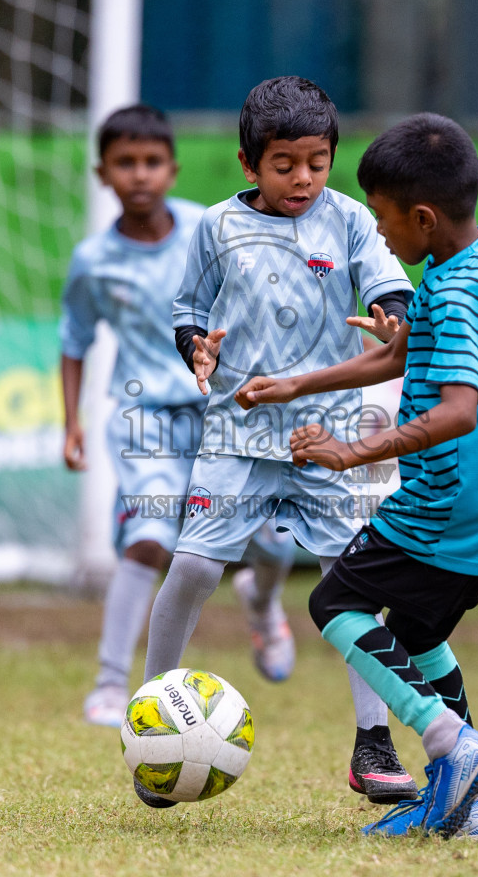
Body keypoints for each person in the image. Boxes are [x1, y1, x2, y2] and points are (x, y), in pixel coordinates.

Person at [237, 113, 478, 839]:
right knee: (420, 627)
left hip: (449, 495)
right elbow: (406, 357)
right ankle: (463, 808)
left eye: (382, 217)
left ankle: (450, 746)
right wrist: (294, 386)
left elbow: (459, 411)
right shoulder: (476, 264)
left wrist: (348, 452)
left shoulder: (455, 292)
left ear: (423, 217)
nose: (378, 233)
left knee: (336, 602)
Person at [136, 76, 417, 809]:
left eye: (316, 163)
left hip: (330, 436)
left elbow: (389, 288)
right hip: (236, 431)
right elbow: (189, 311)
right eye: (284, 164)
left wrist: (390, 315)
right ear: (247, 164)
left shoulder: (353, 222)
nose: (302, 180)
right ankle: (151, 718)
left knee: (354, 582)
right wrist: (196, 348)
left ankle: (373, 740)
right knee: (195, 569)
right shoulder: (216, 228)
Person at [61, 105, 296, 728]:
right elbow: (74, 341)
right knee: (149, 539)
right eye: (125, 163)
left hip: (227, 410)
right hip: (148, 422)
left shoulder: (209, 227)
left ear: (173, 168)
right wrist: (72, 422)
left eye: (152, 162)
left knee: (274, 539)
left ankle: (263, 602)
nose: (140, 175)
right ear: (103, 173)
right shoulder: (92, 261)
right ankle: (114, 684)